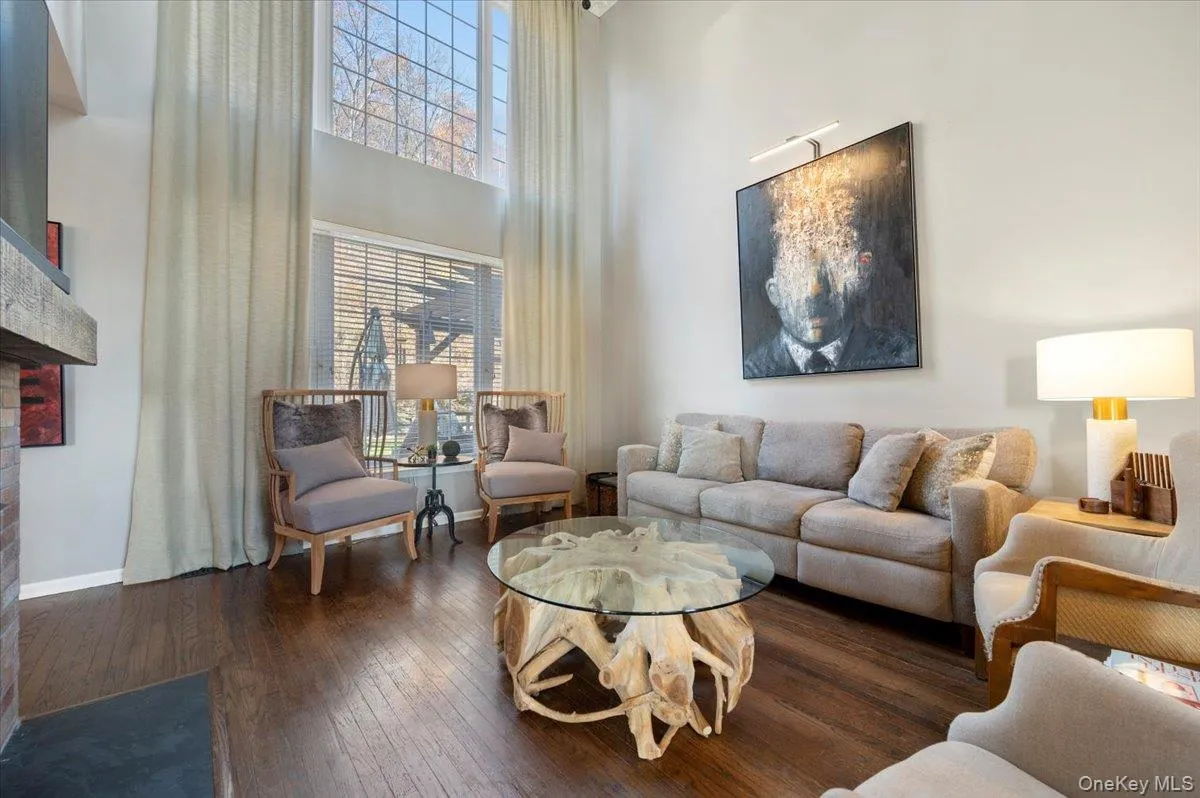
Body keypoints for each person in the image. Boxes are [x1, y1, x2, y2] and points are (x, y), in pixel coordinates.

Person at [742, 152, 917, 378]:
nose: (815, 290)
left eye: (835, 265)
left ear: (862, 273)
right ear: (774, 292)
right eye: (797, 271)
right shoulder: (754, 368)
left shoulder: (902, 355)